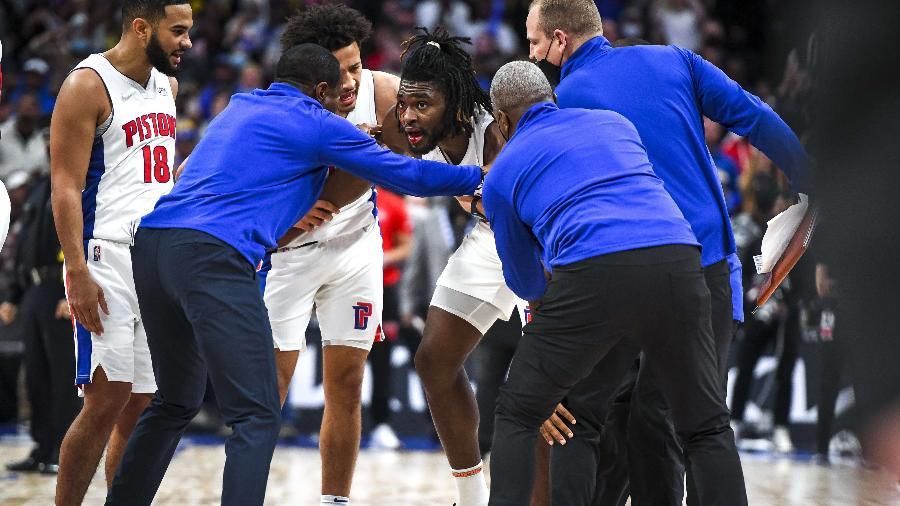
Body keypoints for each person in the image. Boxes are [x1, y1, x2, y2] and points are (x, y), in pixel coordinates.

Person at [105, 43, 484, 506]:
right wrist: (478, 178)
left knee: (175, 400)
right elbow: (408, 177)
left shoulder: (238, 107)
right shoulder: (318, 121)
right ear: (321, 90)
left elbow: (195, 172)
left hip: (153, 245)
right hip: (213, 257)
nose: (346, 97)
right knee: (259, 415)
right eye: (338, 89)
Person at [525, 1, 808, 502]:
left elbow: (561, 205)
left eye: (534, 42)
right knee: (693, 424)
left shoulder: (565, 98)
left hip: (617, 271)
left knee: (601, 419)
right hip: (705, 266)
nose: (534, 54)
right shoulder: (675, 59)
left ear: (561, 40)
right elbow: (755, 117)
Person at [482, 59, 746, 506]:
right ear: (551, 97)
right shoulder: (614, 124)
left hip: (592, 275)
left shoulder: (503, 173)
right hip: (679, 261)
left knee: (526, 412)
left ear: (503, 121)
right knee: (706, 426)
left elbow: (524, 279)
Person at [256, 6, 402, 504]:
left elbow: (429, 146)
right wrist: (289, 216)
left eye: (357, 65)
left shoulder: (383, 92)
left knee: (347, 381)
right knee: (268, 387)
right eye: (339, 70)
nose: (350, 80)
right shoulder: (287, 101)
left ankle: (334, 500)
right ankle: (245, 491)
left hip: (356, 247)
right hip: (289, 255)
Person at [49, 2, 192, 504]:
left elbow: (151, 176)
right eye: (178, 31)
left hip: (155, 261)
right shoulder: (87, 84)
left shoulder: (168, 87)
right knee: (105, 401)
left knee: (142, 404)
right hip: (105, 256)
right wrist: (77, 272)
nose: (187, 42)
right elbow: (65, 187)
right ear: (141, 27)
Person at [385, 27, 511, 506]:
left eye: (422, 105)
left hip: (541, 244)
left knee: (549, 390)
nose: (409, 116)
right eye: (405, 104)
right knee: (434, 361)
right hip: (487, 242)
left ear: (455, 106)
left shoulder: (496, 128)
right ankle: (472, 497)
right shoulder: (404, 119)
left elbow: (507, 207)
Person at [1, 152, 81, 475]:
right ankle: (41, 447)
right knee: (35, 376)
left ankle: (64, 451)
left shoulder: (76, 183)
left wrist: (70, 290)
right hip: (34, 290)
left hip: (59, 289)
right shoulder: (38, 189)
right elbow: (24, 245)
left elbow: (81, 237)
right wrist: (14, 296)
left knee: (63, 377)